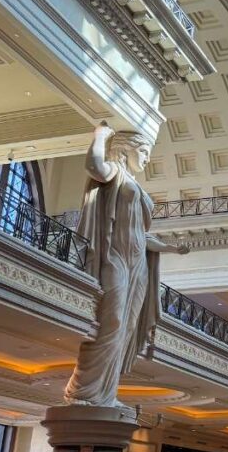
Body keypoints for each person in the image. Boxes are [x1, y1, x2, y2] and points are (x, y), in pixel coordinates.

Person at [63, 124, 190, 407]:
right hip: (114, 257)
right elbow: (94, 166)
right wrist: (100, 136)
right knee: (111, 322)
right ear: (125, 149)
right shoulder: (114, 172)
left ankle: (107, 393)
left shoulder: (136, 185)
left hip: (138, 265)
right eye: (143, 151)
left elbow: (142, 236)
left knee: (127, 327)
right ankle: (82, 391)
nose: (147, 158)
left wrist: (170, 248)